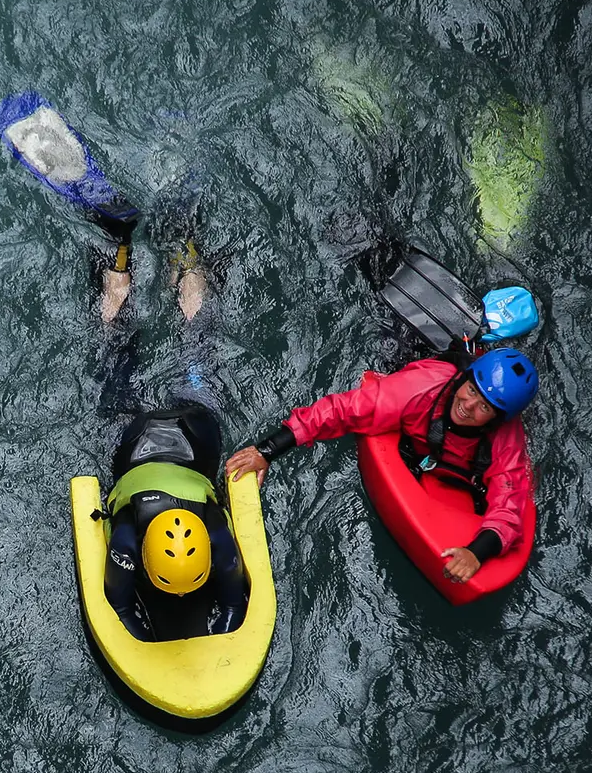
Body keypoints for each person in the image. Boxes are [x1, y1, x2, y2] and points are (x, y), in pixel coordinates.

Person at [225, 343, 538, 586]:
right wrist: (268, 450)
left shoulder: (505, 441)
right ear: (465, 379)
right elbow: (341, 411)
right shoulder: (419, 389)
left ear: (498, 418)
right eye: (470, 390)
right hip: (413, 383)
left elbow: (510, 507)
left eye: (484, 406)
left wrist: (476, 552)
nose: (467, 406)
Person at [89, 203, 249, 641]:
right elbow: (232, 604)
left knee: (151, 349)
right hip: (144, 438)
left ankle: (127, 253)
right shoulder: (212, 538)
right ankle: (173, 249)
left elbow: (123, 606)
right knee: (130, 353)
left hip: (182, 431)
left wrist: (148, 638)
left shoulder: (130, 538)